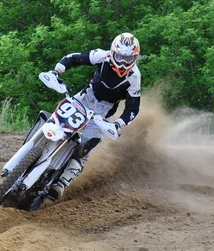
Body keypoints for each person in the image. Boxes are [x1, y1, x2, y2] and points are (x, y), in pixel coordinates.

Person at [46, 32, 142, 199]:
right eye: (119, 56)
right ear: (113, 52)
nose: (122, 62)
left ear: (134, 58)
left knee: (85, 148)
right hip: (85, 98)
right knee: (55, 121)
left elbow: (132, 108)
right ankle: (33, 151)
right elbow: (74, 58)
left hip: (103, 114)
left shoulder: (134, 77)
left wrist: (118, 124)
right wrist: (57, 72)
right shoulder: (102, 56)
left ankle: (61, 183)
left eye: (127, 59)